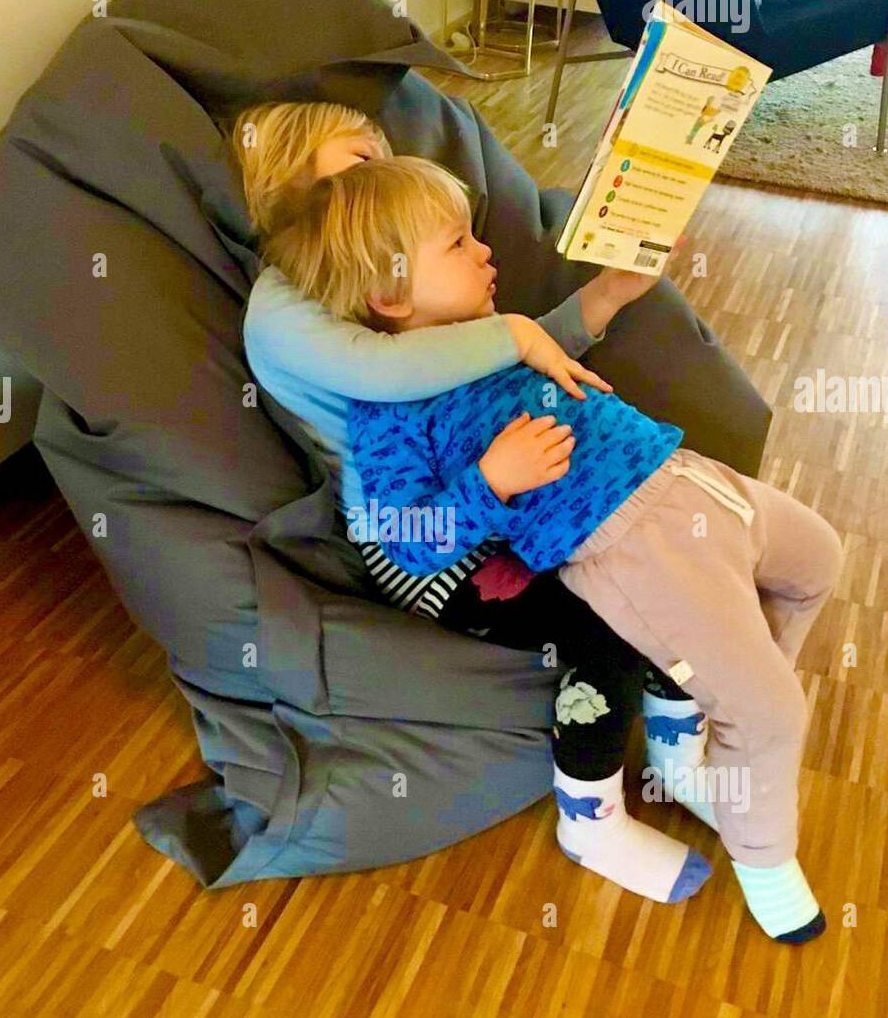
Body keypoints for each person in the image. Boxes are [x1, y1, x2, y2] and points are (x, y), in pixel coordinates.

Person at [261, 154, 843, 945]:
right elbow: (405, 537)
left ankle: (697, 736)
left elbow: (555, 343)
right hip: (633, 541)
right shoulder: (389, 414)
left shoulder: (484, 335)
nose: (486, 253)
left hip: (689, 478)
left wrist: (612, 292)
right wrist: (492, 484)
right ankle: (765, 858)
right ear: (391, 296)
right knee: (773, 710)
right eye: (458, 245)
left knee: (819, 563)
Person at [236, 100, 713, 909]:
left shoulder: (409, 284)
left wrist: (601, 299)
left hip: (510, 494)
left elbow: (496, 361)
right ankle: (589, 818)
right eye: (361, 166)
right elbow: (409, 388)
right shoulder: (299, 312)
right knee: (608, 619)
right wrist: (516, 362)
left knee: (663, 572)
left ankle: (679, 760)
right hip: (432, 535)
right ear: (301, 197)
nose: (384, 174)